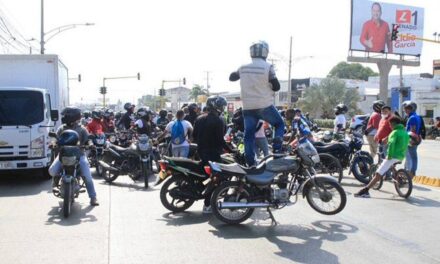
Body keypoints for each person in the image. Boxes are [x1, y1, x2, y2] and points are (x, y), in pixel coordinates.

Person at [229, 40, 285, 166]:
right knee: (279, 124)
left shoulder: (243, 67)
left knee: (248, 136)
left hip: (248, 107)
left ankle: (250, 162)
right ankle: (276, 150)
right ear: (265, 52)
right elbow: (276, 87)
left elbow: (231, 77)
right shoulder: (268, 66)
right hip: (264, 105)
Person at [48, 106, 99, 206]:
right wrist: (53, 143)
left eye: (66, 115)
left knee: (87, 176)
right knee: (52, 171)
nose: (64, 117)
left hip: (79, 155)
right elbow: (56, 139)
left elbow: (88, 139)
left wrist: (90, 144)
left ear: (73, 117)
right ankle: (56, 181)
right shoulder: (61, 128)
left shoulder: (82, 129)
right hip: (63, 155)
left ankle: (93, 197)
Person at [193, 95, 231, 213]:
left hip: (201, 152)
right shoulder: (218, 120)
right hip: (213, 154)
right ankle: (207, 205)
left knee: (206, 177)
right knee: (215, 179)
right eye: (221, 105)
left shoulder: (199, 118)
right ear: (216, 106)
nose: (223, 108)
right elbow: (221, 140)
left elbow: (194, 136)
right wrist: (231, 150)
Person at [355, 116, 409, 198]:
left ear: (393, 124)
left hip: (393, 156)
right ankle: (398, 177)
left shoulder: (394, 132)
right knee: (390, 165)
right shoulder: (404, 132)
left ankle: (365, 190)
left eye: (390, 125)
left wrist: (389, 156)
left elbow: (391, 144)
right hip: (401, 156)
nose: (390, 126)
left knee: (378, 174)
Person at [402, 101, 422, 178]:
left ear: (413, 109)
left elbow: (413, 130)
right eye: (405, 108)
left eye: (409, 108)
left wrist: (410, 140)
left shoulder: (412, 117)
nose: (406, 110)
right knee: (412, 156)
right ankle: (410, 172)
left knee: (410, 157)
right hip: (415, 138)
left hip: (411, 139)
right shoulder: (416, 116)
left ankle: (410, 173)